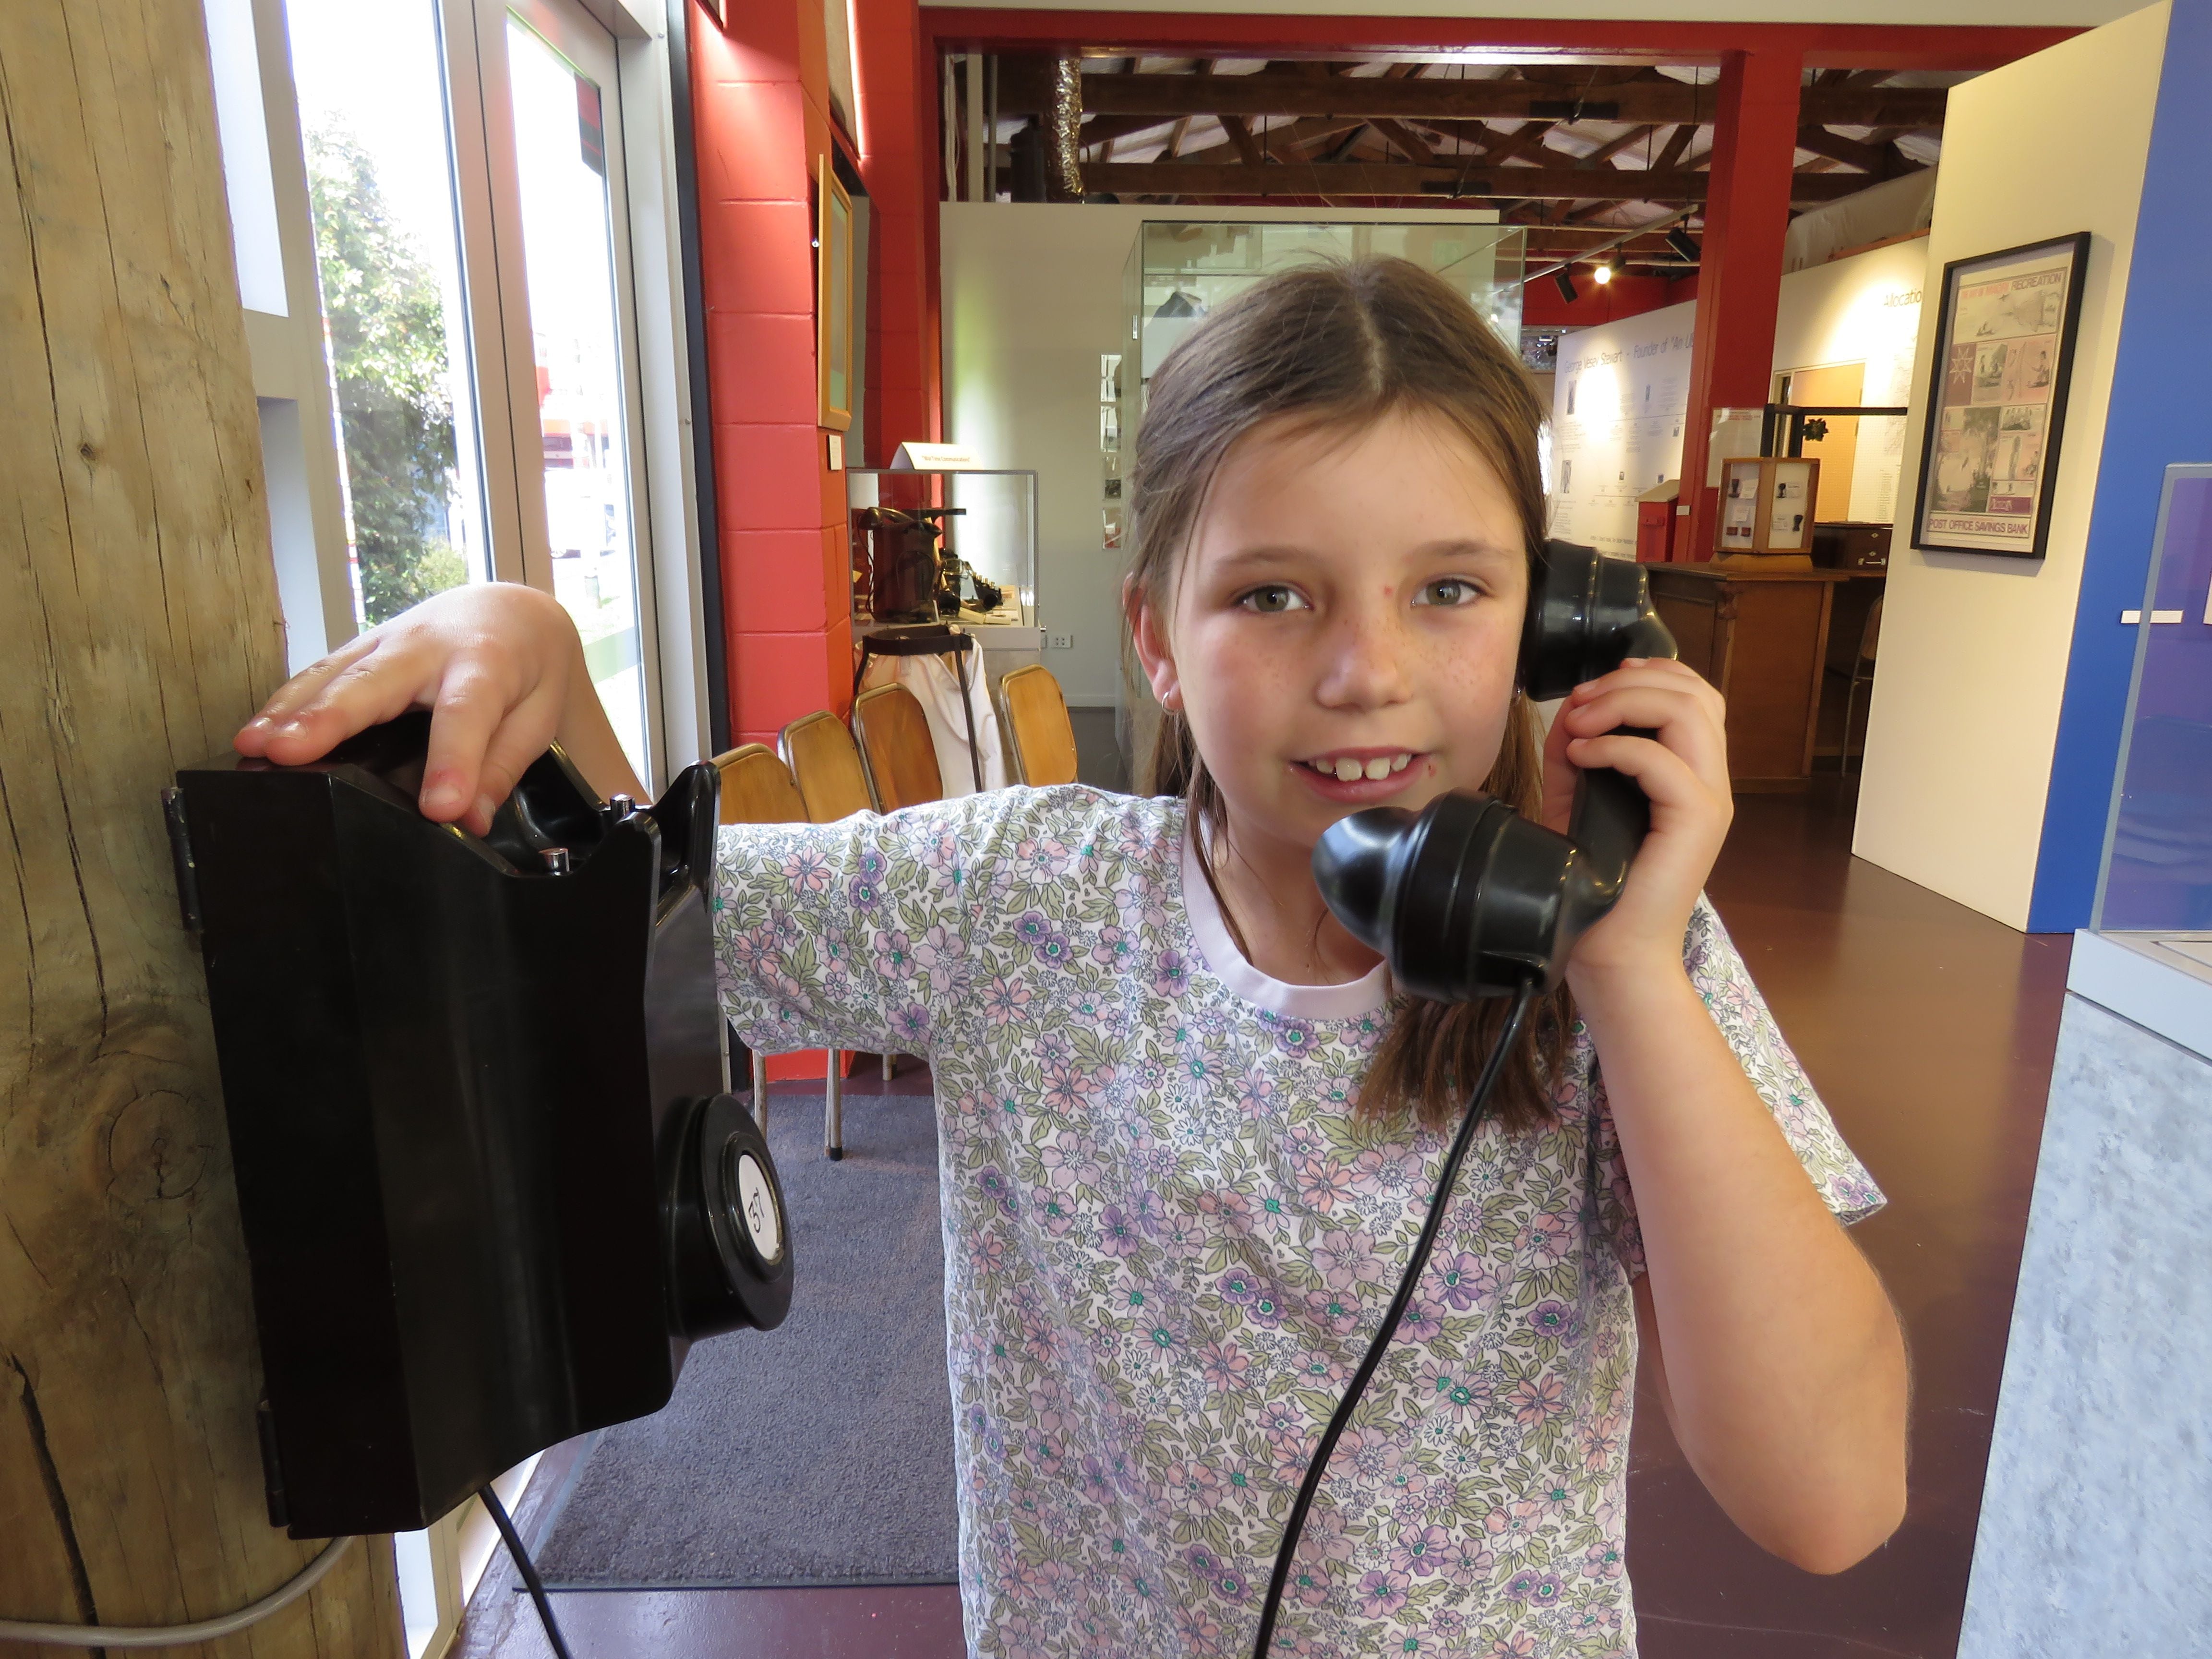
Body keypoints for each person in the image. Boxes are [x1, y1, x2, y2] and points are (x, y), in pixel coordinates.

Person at [237, 258, 1907, 1658]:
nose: (1366, 673)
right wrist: (527, 643)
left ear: (1554, 620)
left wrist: (1622, 968)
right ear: (1155, 641)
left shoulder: (1630, 961)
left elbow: (1828, 1498)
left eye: (1451, 589)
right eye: (1272, 597)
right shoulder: (1017, 900)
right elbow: (621, 934)